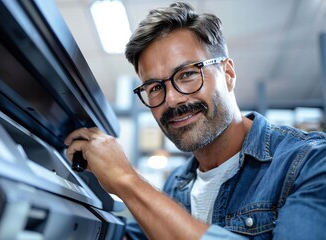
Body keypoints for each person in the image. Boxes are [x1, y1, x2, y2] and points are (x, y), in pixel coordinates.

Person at [64, 2, 326, 239]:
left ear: (228, 74)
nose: (172, 100)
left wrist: (127, 180)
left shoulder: (309, 162)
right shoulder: (177, 183)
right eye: (155, 87)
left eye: (187, 74)